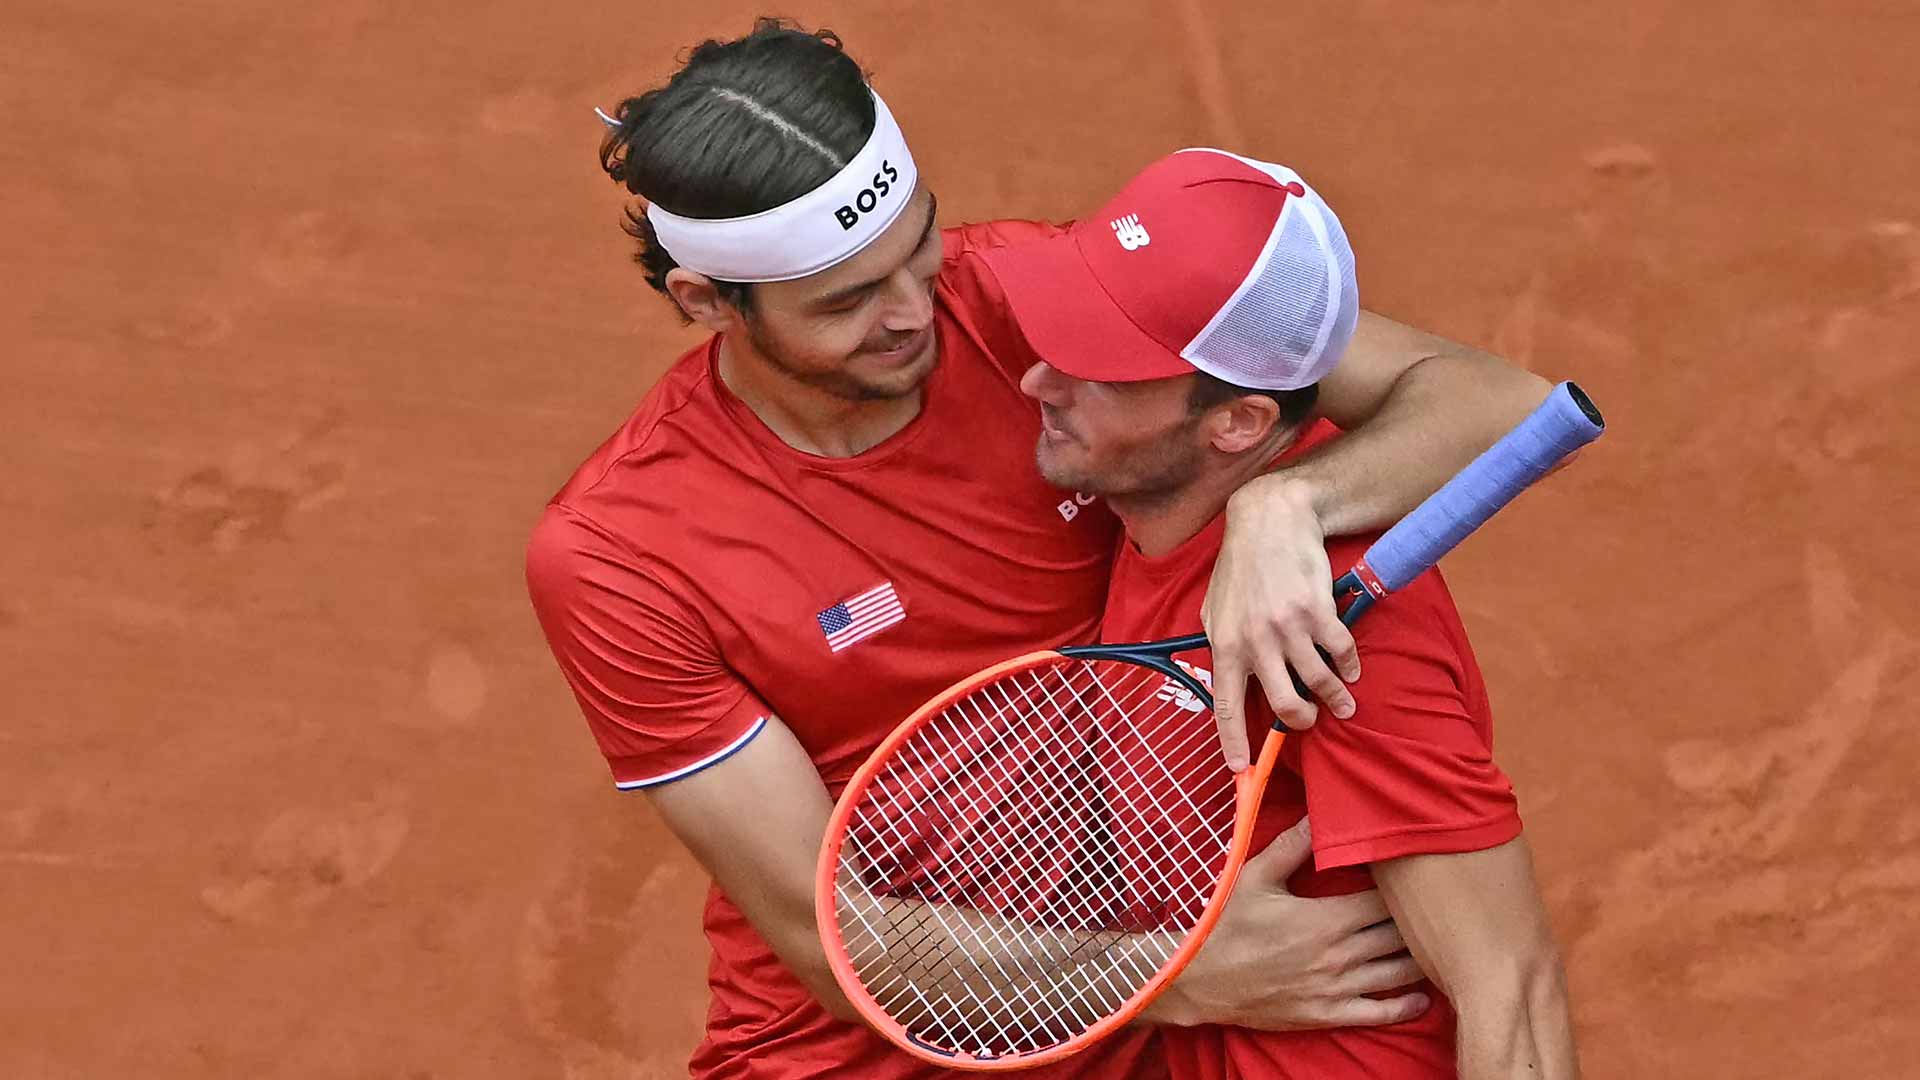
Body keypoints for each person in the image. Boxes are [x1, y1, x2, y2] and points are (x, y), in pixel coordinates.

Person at [526, 18, 1555, 1079]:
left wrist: (1285, 506)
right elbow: (826, 934)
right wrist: (1177, 972)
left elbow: (1499, 407)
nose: (917, 312)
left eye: (918, 246)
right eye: (847, 299)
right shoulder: (619, 553)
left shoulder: (1037, 303)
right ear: (706, 303)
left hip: (1161, 1025)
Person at [986, 147, 1578, 1078]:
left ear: (1238, 424)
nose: (1039, 384)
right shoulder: (1165, 514)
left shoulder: (1333, 631)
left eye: (1099, 369)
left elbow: (1511, 985)